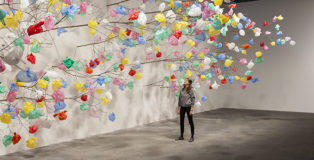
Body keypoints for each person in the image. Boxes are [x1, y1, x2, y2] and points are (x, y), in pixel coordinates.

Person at [175, 78, 195, 142]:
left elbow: (193, 99)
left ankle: (192, 136)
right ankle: (181, 136)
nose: (184, 81)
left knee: (190, 122)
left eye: (186, 80)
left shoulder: (191, 90)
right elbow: (179, 99)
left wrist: (191, 109)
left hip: (188, 107)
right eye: (185, 80)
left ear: (188, 83)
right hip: (182, 108)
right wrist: (178, 108)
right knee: (181, 122)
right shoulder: (182, 89)